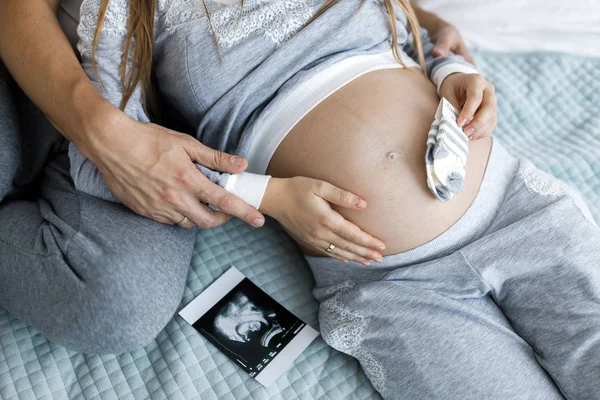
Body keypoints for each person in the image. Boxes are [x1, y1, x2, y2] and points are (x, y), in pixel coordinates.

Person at [1, 1, 598, 399]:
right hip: (394, 288)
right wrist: (272, 197)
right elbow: (135, 163)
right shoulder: (121, 15)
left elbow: (413, 42)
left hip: (521, 215)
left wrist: (451, 70)